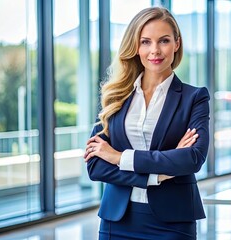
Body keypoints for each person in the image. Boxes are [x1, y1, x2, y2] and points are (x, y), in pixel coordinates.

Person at [83, 7, 210, 240]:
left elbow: (192, 158)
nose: (155, 50)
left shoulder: (195, 97)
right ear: (136, 47)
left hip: (173, 222)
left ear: (176, 44)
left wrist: (119, 157)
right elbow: (96, 166)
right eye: (145, 42)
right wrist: (158, 175)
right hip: (117, 220)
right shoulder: (116, 96)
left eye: (163, 41)